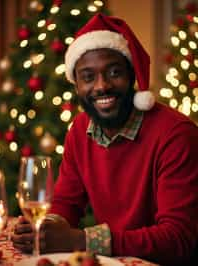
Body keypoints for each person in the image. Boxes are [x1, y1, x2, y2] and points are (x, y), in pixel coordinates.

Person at [12, 13, 198, 266]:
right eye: (88, 77)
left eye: (114, 72)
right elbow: (66, 203)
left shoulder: (176, 134)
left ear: (132, 75)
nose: (102, 86)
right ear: (76, 85)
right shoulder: (79, 129)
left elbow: (178, 239)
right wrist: (45, 229)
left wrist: (82, 241)